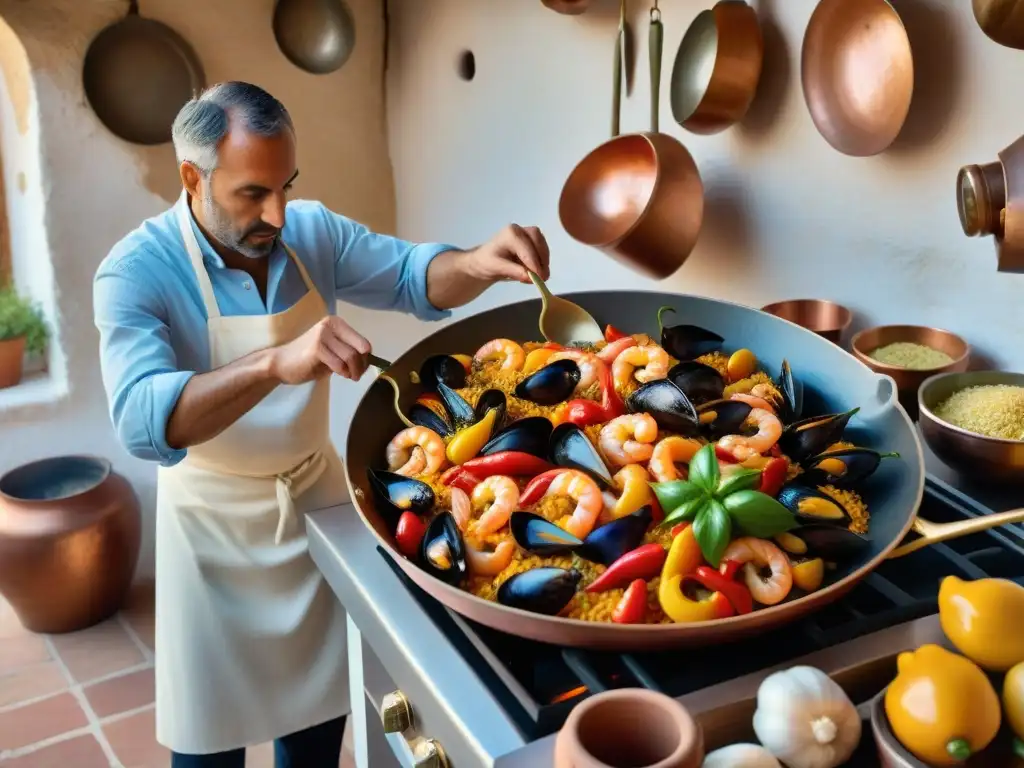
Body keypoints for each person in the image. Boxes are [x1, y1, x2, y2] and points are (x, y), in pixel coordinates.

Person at [93, 81, 550, 768]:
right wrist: (273, 363)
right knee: (204, 752)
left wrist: (477, 263)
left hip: (317, 515)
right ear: (193, 177)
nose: (277, 213)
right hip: (210, 537)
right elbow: (142, 422)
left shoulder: (311, 231)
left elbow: (415, 278)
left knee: (316, 738)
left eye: (286, 186)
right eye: (253, 193)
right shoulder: (134, 272)